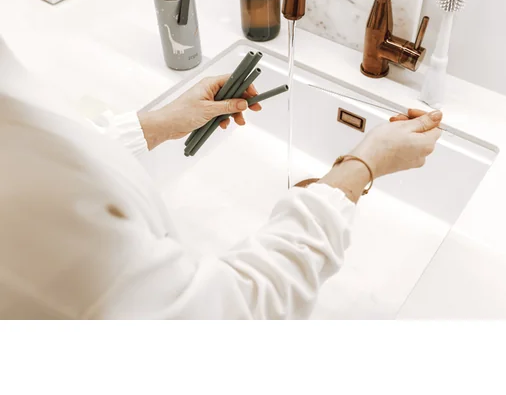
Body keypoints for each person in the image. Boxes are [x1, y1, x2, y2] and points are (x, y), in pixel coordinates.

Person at [0, 37, 442, 319]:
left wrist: (160, 123)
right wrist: (363, 164)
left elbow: (54, 150)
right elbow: (232, 316)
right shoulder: (35, 218)